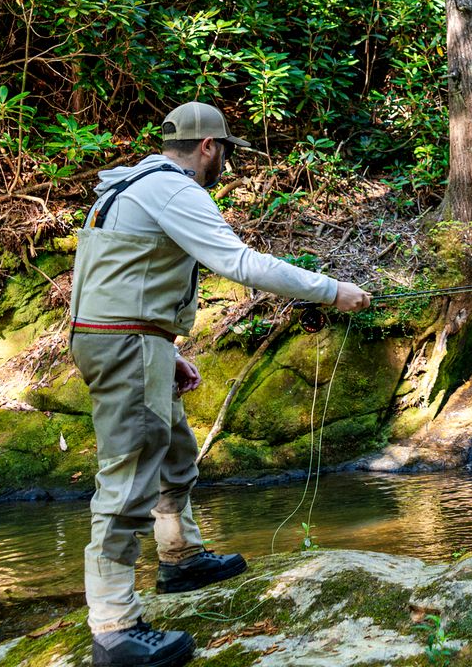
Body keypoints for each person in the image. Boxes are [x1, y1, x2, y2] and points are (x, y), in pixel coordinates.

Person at [68, 102, 371, 667]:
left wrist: (162, 348)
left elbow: (116, 277)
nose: (226, 164)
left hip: (127, 338)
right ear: (209, 146)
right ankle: (113, 627)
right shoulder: (176, 190)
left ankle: (180, 557)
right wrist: (332, 290)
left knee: (175, 451)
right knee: (128, 478)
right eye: (226, 150)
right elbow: (241, 262)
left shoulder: (131, 182)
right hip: (127, 341)